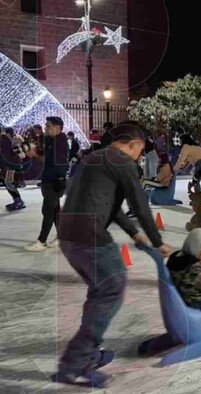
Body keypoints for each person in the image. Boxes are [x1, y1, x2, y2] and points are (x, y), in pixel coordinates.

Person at [53, 123, 172, 388]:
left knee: (100, 292)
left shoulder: (94, 157)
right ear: (135, 144)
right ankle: (75, 364)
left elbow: (112, 206)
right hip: (90, 236)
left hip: (68, 235)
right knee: (110, 290)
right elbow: (140, 205)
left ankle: (89, 354)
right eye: (141, 151)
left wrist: (135, 234)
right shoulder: (123, 162)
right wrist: (158, 242)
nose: (140, 157)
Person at [26, 117, 69, 252]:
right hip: (51, 180)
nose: (45, 128)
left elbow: (48, 159)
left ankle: (42, 241)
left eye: (48, 126)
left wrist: (34, 155)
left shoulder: (60, 142)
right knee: (55, 210)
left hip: (55, 181)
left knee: (48, 211)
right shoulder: (54, 140)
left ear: (57, 128)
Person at [1, 127, 25, 211]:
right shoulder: (4, 138)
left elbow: (6, 153)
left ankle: (18, 201)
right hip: (11, 163)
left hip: (12, 163)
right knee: (8, 182)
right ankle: (17, 200)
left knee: (8, 182)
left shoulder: (3, 138)